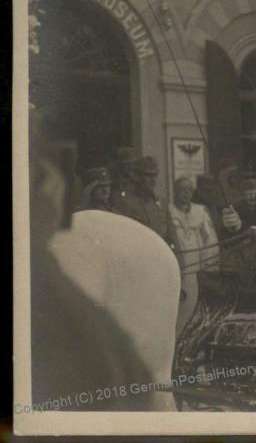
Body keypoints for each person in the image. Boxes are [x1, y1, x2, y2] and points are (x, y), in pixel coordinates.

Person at [29, 108, 170, 411]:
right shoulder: (120, 198)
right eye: (140, 172)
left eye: (149, 174)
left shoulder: (154, 201)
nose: (145, 177)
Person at [168, 176, 220, 336]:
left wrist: (211, 266)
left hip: (198, 267)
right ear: (175, 191)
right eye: (182, 189)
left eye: (189, 189)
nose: (186, 193)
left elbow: (209, 239)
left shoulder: (200, 211)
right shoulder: (168, 210)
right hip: (178, 265)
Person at [111, 155, 169, 241]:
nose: (152, 180)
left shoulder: (162, 202)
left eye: (154, 175)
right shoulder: (126, 202)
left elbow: (172, 235)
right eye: (148, 175)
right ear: (137, 176)